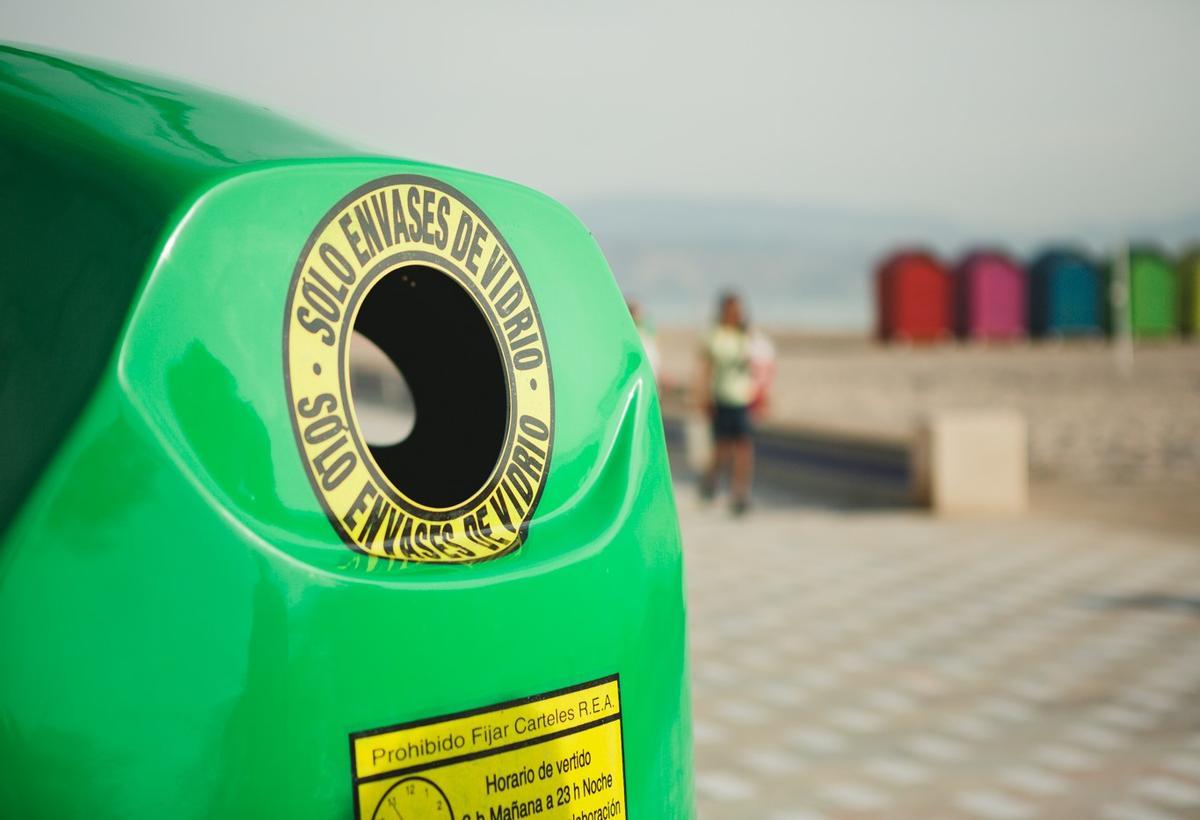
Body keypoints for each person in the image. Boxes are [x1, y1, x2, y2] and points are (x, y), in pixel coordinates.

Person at [697, 292, 758, 514]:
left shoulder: (746, 335)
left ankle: (740, 493)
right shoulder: (714, 336)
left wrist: (761, 395)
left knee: (744, 448)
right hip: (721, 398)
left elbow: (756, 367)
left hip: (742, 398)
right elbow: (705, 369)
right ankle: (710, 480)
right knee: (722, 449)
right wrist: (702, 397)